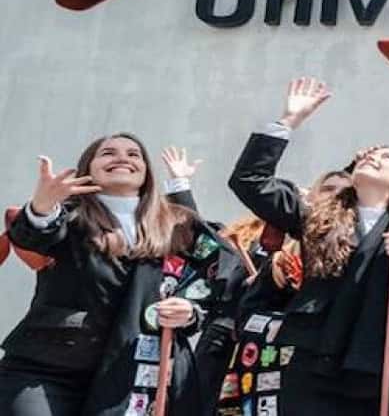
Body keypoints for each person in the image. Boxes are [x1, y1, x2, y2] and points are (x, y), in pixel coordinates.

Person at [227, 77, 389, 414]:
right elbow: (249, 181)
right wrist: (290, 119)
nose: (373, 158)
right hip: (313, 360)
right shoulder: (319, 215)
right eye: (369, 155)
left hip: (388, 366)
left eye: (386, 156)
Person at [0, 134, 235, 415]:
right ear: (88, 167)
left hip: (131, 374)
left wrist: (190, 310)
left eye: (134, 154)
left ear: (146, 172)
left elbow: (222, 271)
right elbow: (31, 237)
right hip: (47, 367)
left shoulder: (175, 225)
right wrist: (40, 207)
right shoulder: (67, 216)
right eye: (108, 153)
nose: (122, 158)